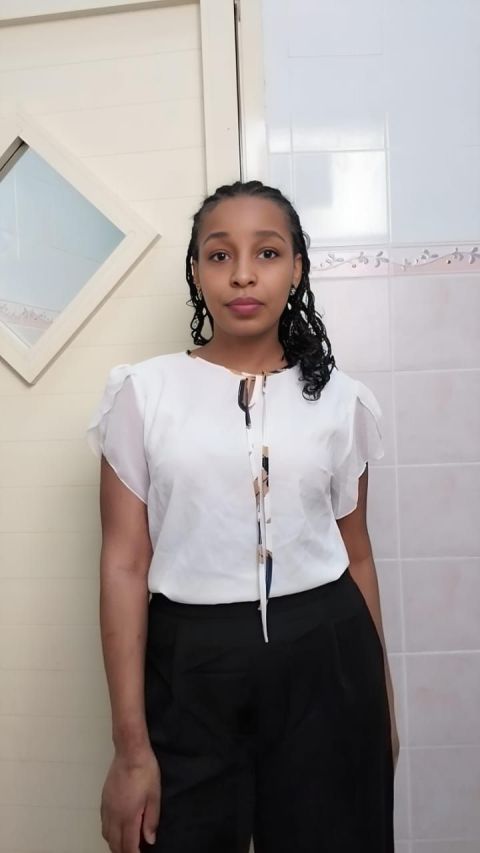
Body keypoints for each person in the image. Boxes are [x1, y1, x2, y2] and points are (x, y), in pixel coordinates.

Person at [86, 180, 399, 853]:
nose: (243, 274)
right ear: (197, 271)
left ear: (297, 269)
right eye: (220, 255)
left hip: (328, 657)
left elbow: (358, 555)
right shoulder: (142, 393)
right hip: (189, 664)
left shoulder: (343, 402)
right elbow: (124, 564)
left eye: (268, 252)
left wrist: (385, 704)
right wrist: (130, 748)